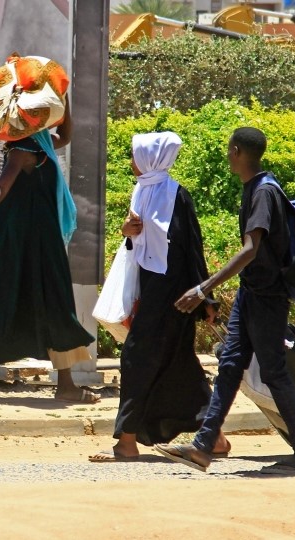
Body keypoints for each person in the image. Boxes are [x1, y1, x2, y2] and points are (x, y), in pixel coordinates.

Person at [154, 127, 295, 475]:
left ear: (237, 150)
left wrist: (203, 288)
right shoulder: (256, 188)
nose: (228, 156)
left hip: (267, 296)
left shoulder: (262, 192)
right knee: (229, 366)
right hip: (252, 294)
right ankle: (202, 447)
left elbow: (250, 250)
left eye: (230, 151)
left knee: (273, 371)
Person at [0, 101, 98, 404]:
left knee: (3, 298)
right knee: (55, 300)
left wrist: (63, 100)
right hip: (35, 240)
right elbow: (3, 183)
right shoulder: (23, 149)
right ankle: (66, 385)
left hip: (27, 238)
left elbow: (65, 135)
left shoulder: (40, 144)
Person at [89, 131, 228, 462]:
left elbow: (191, 250)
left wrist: (204, 298)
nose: (132, 163)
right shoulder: (143, 191)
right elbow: (138, 245)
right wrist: (127, 233)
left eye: (136, 156)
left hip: (174, 297)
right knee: (179, 365)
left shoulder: (176, 196)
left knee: (137, 360)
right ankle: (216, 439)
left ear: (152, 159)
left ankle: (126, 442)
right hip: (151, 290)